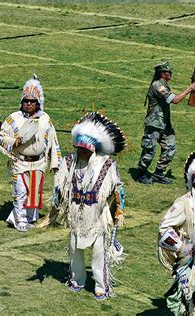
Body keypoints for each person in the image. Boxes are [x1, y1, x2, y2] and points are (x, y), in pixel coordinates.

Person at [47, 112, 127, 300]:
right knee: (75, 248)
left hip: (98, 215)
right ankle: (77, 279)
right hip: (76, 213)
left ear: (93, 149)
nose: (81, 152)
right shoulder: (69, 161)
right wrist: (56, 202)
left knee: (99, 251)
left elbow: (117, 188)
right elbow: (60, 183)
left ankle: (101, 285)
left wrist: (119, 209)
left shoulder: (106, 164)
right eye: (79, 148)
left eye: (85, 149)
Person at [0, 74, 61, 232]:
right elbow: (0, 136)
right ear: (22, 102)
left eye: (32, 101)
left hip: (39, 162)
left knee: (34, 192)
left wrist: (55, 163)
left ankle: (30, 217)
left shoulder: (45, 119)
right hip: (20, 162)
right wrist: (13, 142)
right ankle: (19, 219)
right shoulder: (14, 118)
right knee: (20, 193)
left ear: (38, 103)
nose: (29, 104)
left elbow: (53, 141)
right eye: (26, 101)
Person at [137, 61, 195, 185]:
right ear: (162, 73)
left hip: (165, 124)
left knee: (170, 148)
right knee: (149, 151)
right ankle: (141, 173)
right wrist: (189, 89)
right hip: (154, 124)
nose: (170, 73)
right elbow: (174, 100)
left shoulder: (163, 84)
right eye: (168, 72)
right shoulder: (158, 86)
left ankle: (158, 174)